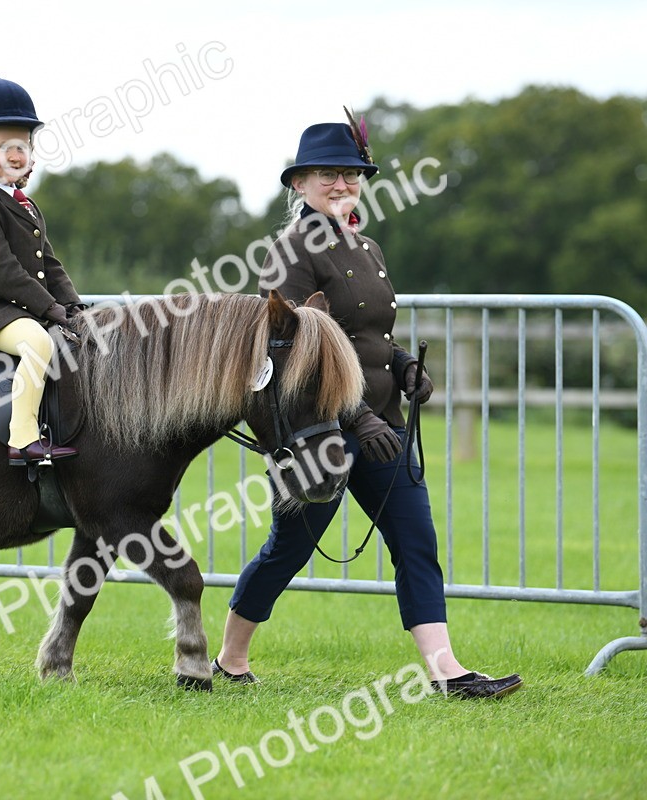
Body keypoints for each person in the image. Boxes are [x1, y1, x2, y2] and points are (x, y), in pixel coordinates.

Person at [213, 115, 523, 699]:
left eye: (351, 175)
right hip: (320, 430)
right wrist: (356, 414)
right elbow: (304, 348)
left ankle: (446, 672)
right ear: (299, 183)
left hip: (386, 427)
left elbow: (369, 334)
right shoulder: (288, 251)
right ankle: (229, 657)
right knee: (289, 550)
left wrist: (404, 365)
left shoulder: (368, 246)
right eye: (328, 174)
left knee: (416, 541)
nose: (342, 184)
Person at [0, 76, 84, 467]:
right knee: (39, 344)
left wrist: (74, 306)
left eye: (22, 145)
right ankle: (23, 440)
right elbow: (3, 272)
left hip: (24, 310)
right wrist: (51, 311)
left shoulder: (26, 205)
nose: (15, 154)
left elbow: (51, 266)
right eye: (2, 146)